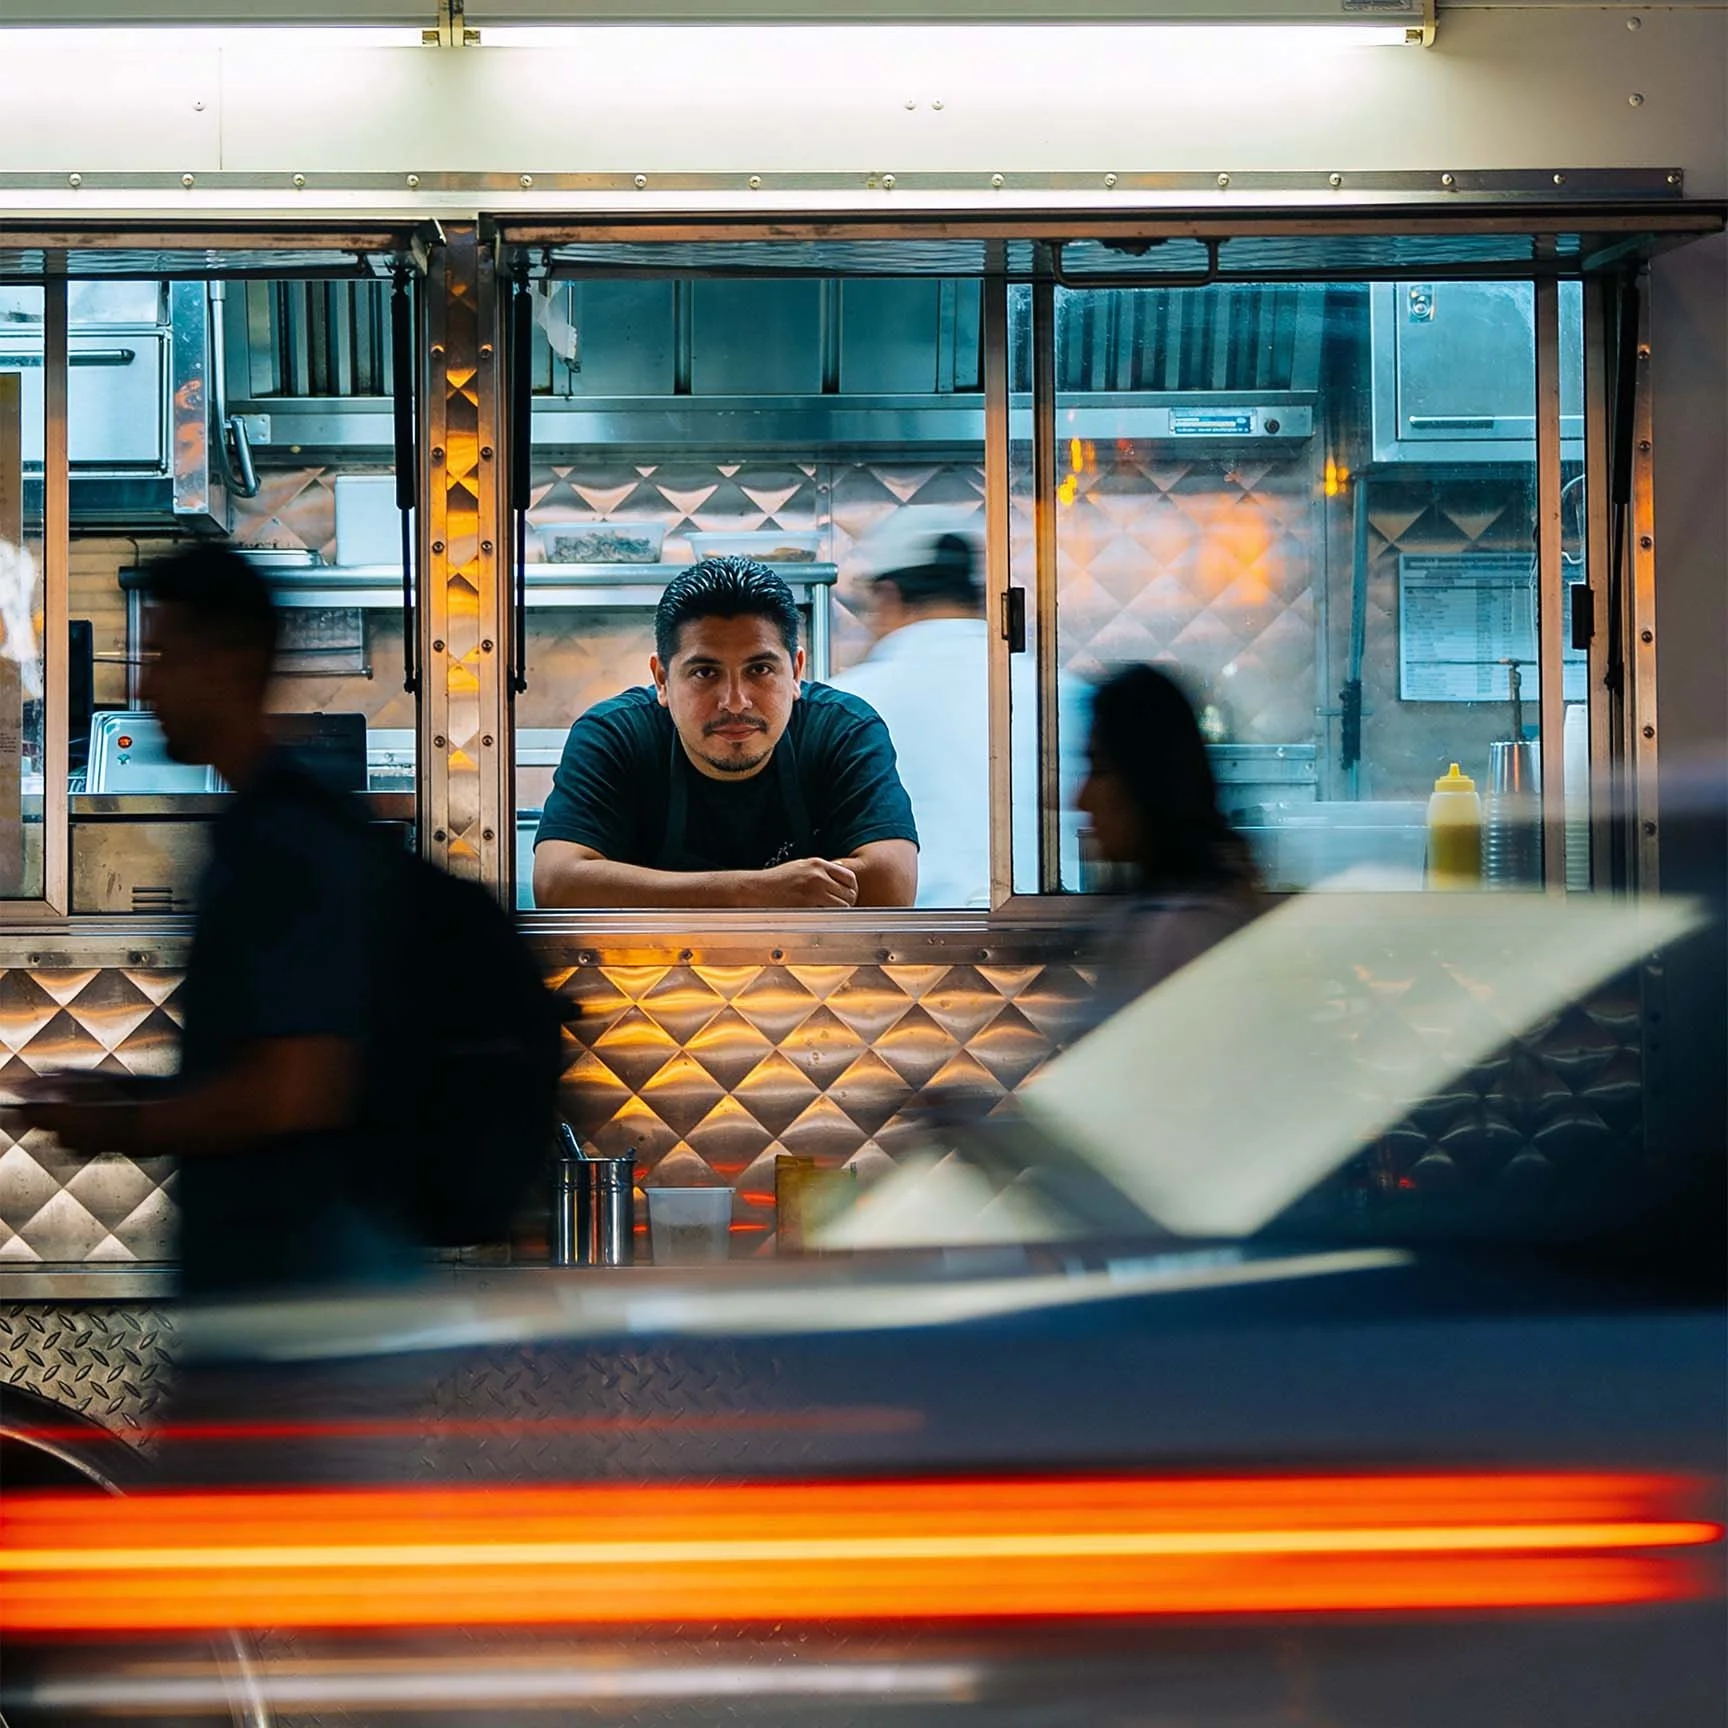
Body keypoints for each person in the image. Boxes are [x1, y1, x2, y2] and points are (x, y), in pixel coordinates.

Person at [7, 544, 417, 1300]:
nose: (146, 681)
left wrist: (125, 1125)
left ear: (233, 663)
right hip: (281, 1279)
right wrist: (128, 1102)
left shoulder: (285, 842)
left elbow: (296, 1088)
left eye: (166, 652)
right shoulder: (267, 824)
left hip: (302, 1293)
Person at [533, 556, 919, 909]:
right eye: (705, 672)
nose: (735, 702)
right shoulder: (614, 735)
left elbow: (891, 884)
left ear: (797, 672)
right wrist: (755, 890)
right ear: (662, 679)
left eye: (760, 670)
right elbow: (558, 883)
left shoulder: (842, 730)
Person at [832, 510, 1085, 907]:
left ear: (888, 595)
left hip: (900, 947)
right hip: (1045, 934)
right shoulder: (1061, 693)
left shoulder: (846, 706)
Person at [1078, 663, 1264, 1012]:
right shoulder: (1156, 914)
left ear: (1148, 783)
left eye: (1100, 769)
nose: (1081, 798)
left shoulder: (1184, 933)